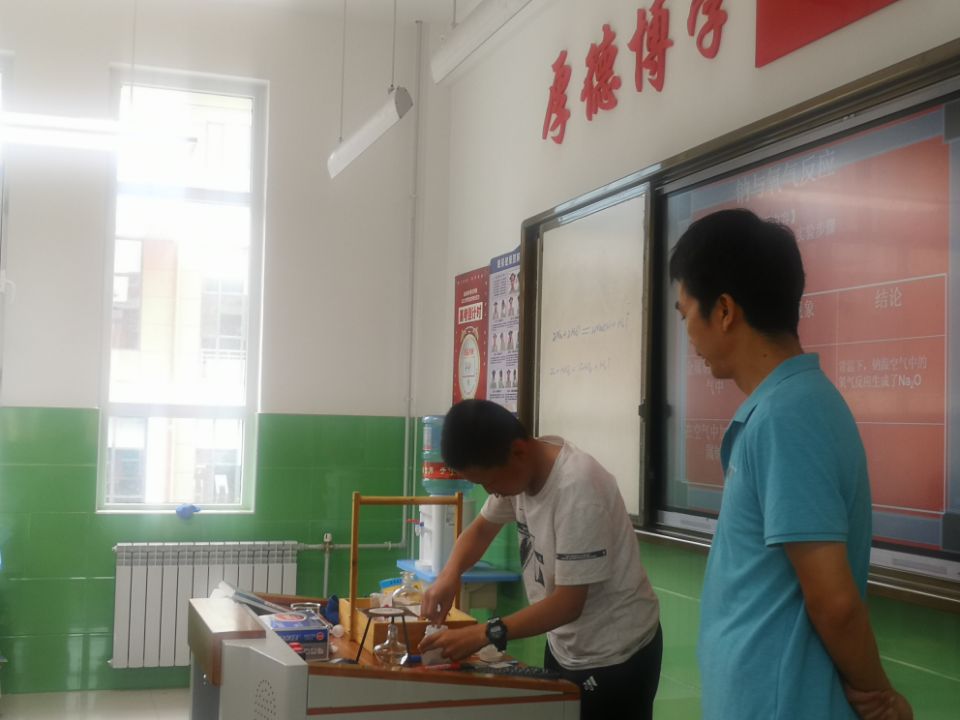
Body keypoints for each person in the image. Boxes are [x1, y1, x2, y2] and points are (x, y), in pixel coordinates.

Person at [669, 208, 913, 720]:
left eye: (685, 312)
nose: (686, 333)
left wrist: (881, 697)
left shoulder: (790, 415)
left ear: (725, 310)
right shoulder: (779, 408)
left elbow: (834, 601)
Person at [418, 399, 662, 720]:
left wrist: (482, 633)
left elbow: (568, 604)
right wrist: (449, 575)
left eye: (488, 482)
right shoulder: (521, 471)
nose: (491, 492)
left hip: (616, 655)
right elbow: (480, 530)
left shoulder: (577, 488)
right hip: (565, 644)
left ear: (518, 451)